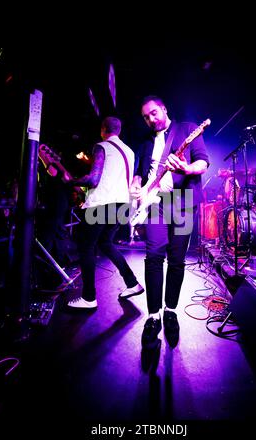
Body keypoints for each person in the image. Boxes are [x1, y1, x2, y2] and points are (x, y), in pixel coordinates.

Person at [130, 96, 209, 348]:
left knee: (176, 260)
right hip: (155, 203)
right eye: (145, 117)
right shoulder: (144, 142)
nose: (150, 119)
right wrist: (135, 186)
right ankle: (153, 316)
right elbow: (140, 173)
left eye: (154, 113)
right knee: (153, 255)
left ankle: (170, 311)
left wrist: (186, 169)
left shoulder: (186, 129)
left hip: (183, 201)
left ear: (164, 109)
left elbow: (203, 162)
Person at [65, 116, 144, 309]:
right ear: (119, 130)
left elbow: (93, 179)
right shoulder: (129, 151)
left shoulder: (102, 147)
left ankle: (89, 298)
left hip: (102, 205)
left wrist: (70, 181)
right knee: (106, 243)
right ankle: (132, 283)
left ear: (103, 129)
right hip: (121, 205)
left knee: (86, 247)